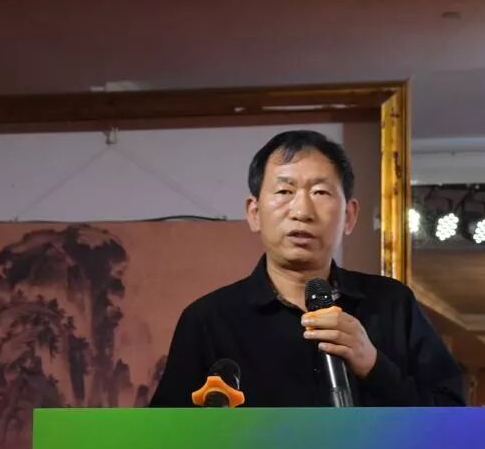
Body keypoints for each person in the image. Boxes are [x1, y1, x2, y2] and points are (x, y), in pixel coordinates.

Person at [149, 130, 465, 408]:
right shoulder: (209, 320)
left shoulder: (393, 304)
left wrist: (374, 366)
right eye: (284, 192)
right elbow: (165, 441)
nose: (301, 211)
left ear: (349, 216)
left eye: (320, 192)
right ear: (254, 213)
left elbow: (453, 419)